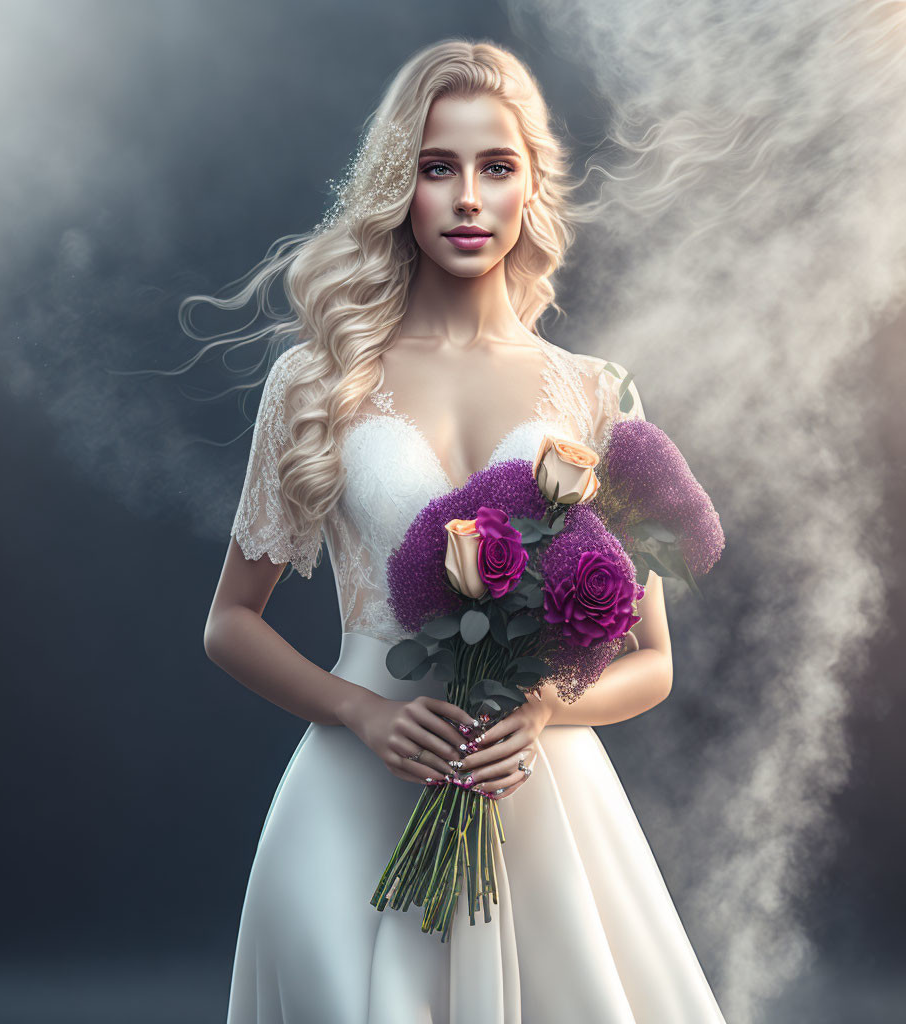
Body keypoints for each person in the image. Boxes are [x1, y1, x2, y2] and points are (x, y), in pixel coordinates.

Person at [199, 37, 728, 1024]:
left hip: (541, 803)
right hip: (350, 795)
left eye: (496, 167)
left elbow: (652, 659)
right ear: (400, 185)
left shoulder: (594, 391)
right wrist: (361, 712)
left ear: (532, 184)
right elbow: (229, 622)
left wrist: (542, 713)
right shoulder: (315, 384)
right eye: (437, 168)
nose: (468, 198)